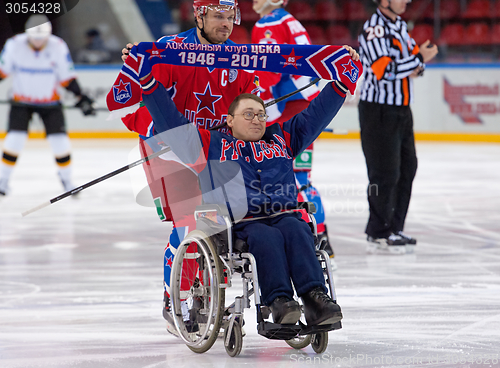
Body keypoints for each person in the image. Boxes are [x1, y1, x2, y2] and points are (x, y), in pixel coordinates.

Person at [136, 47, 358, 324]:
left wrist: (341, 84)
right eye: (249, 114)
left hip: (285, 213)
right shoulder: (213, 144)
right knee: (266, 238)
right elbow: (171, 123)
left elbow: (316, 115)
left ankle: (315, 298)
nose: (257, 120)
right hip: (243, 221)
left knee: (298, 230)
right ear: (229, 121)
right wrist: (146, 82)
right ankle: (279, 301)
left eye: (261, 115)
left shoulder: (282, 138)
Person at [115, 0, 259, 333]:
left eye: (230, 17)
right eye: (218, 16)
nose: (226, 23)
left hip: (215, 150)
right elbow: (136, 97)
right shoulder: (170, 51)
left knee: (223, 223)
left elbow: (252, 102)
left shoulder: (239, 57)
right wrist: (135, 65)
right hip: (168, 151)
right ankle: (174, 297)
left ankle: (210, 292)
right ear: (199, 15)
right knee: (189, 224)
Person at [251, 0, 336, 262]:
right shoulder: (290, 20)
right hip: (306, 111)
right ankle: (321, 237)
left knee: (282, 178)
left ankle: (296, 236)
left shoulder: (269, 23)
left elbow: (268, 70)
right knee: (302, 177)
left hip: (285, 112)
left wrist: (253, 99)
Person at [357, 0, 438, 253]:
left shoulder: (400, 24)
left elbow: (412, 66)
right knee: (385, 172)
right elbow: (384, 71)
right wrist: (417, 59)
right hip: (378, 109)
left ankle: (394, 227)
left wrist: (417, 62)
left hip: (402, 109)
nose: (406, 1)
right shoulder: (374, 29)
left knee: (407, 167)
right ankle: (379, 231)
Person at [0, 15, 95, 197]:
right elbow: (2, 72)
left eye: (41, 38)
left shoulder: (57, 46)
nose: (37, 42)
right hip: (21, 101)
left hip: (50, 102)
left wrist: (81, 97)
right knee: (14, 141)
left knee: (60, 143)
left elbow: (67, 77)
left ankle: (67, 181)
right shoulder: (14, 45)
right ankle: (3, 181)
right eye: (34, 38)